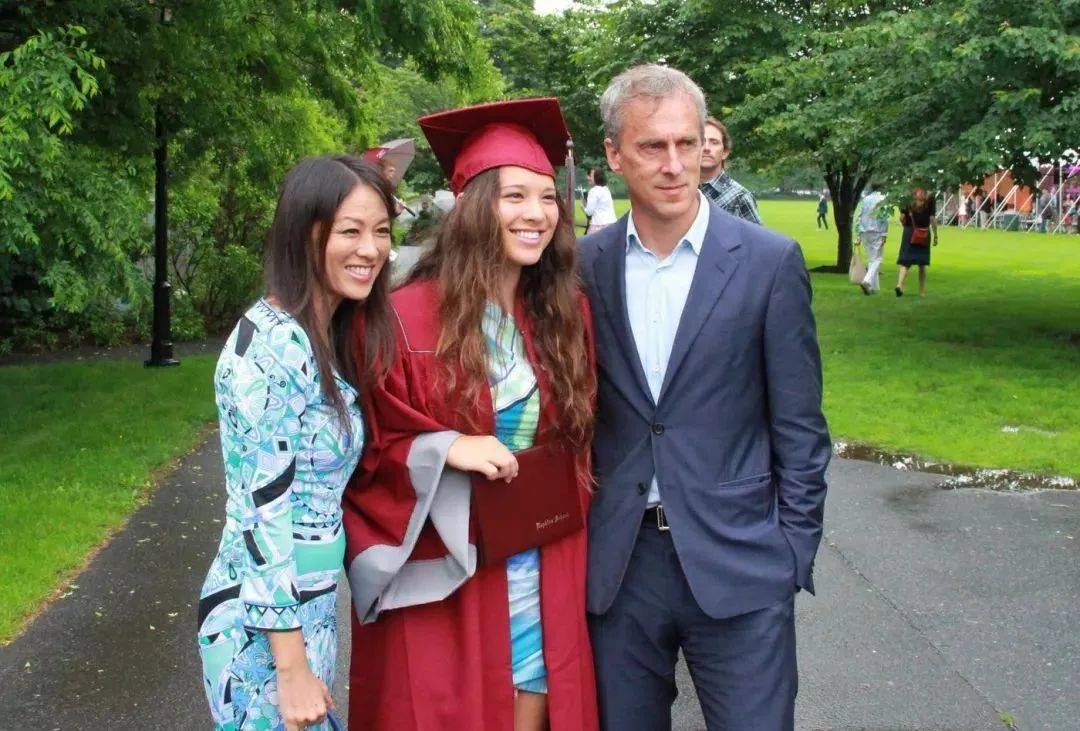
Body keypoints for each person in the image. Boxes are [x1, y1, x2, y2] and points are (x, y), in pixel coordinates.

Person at [579, 64, 830, 731]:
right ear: (614, 155)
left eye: (686, 143)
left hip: (741, 561)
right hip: (621, 566)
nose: (674, 164)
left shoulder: (769, 262)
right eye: (652, 146)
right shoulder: (582, 266)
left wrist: (791, 553)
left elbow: (801, 427)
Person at [343, 98, 599, 731]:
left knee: (540, 695)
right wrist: (444, 447)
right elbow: (362, 457)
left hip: (543, 561)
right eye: (515, 196)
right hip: (452, 573)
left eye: (547, 197)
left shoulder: (564, 314)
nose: (536, 213)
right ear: (473, 204)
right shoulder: (403, 319)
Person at [197, 155, 397, 731]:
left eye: (382, 231)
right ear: (306, 234)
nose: (371, 249)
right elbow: (259, 513)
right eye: (350, 231)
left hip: (311, 607)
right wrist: (291, 669)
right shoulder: (271, 348)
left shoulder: (322, 335)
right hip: (262, 631)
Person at [698, 116, 762, 224]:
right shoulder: (681, 191)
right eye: (701, 142)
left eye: (714, 142)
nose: (706, 148)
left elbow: (756, 235)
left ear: (725, 152)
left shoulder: (740, 197)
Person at [895, 187, 938, 297]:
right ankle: (922, 292)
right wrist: (935, 235)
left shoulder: (907, 195)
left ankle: (899, 284)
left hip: (909, 231)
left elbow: (902, 217)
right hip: (923, 232)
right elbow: (932, 219)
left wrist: (906, 226)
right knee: (922, 264)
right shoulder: (930, 197)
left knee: (905, 262)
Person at [854, 183, 889, 294]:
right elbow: (884, 217)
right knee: (877, 259)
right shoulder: (882, 199)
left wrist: (858, 234)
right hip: (877, 231)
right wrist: (884, 234)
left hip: (864, 231)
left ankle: (873, 287)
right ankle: (867, 281)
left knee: (871, 259)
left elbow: (859, 217)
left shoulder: (865, 199)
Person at [584, 166, 618, 234]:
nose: (588, 178)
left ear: (597, 178)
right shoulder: (606, 189)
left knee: (588, 240)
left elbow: (589, 212)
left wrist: (583, 206)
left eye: (590, 176)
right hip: (612, 225)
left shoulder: (593, 191)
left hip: (598, 226)